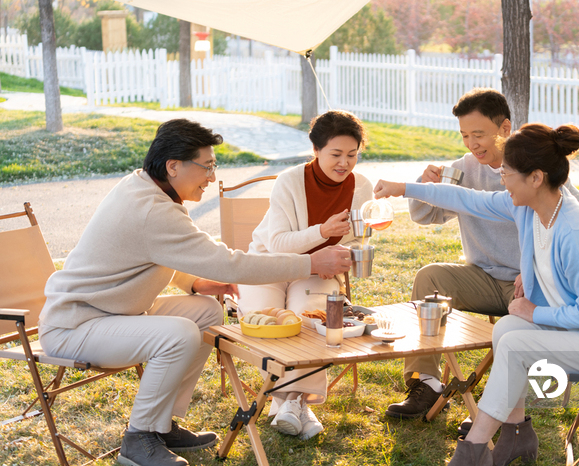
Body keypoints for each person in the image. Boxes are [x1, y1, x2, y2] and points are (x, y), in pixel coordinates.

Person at [38, 119, 352, 466]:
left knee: (206, 312)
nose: (212, 177)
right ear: (173, 166)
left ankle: (162, 423)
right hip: (76, 326)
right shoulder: (151, 209)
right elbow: (231, 265)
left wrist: (194, 283)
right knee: (179, 333)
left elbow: (154, 252)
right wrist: (309, 263)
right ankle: (139, 438)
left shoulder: (147, 188)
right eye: (207, 166)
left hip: (112, 313)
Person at [374, 123, 579, 466]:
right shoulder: (527, 209)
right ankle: (516, 433)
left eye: (506, 173)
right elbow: (466, 198)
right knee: (506, 329)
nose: (501, 179)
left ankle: (472, 451)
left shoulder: (578, 230)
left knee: (518, 342)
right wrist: (402, 188)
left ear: (536, 178)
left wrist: (533, 312)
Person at [385, 88, 579, 420]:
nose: (472, 144)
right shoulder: (464, 170)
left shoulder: (533, 167)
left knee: (517, 321)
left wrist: (537, 266)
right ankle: (426, 383)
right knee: (429, 278)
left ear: (505, 129)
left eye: (478, 134)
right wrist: (424, 184)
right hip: (483, 278)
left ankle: (496, 407)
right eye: (465, 135)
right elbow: (427, 217)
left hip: (530, 286)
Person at [237, 109, 373, 440]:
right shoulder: (289, 181)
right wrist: (322, 231)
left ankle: (288, 402)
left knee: (314, 321)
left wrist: (355, 252)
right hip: (270, 265)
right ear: (315, 150)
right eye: (336, 154)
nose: (344, 163)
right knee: (271, 323)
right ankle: (297, 403)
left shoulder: (362, 187)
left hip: (319, 271)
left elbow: (357, 239)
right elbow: (278, 242)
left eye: (352, 155)